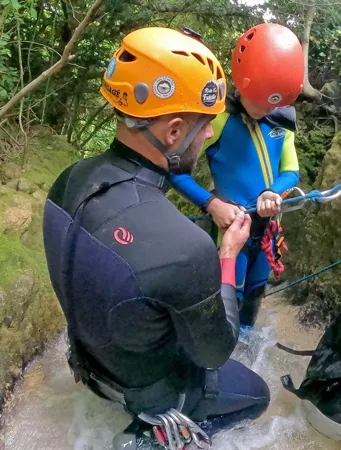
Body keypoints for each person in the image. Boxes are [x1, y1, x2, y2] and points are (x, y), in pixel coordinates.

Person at [41, 26, 270, 441]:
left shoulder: (68, 180)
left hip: (90, 361)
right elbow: (216, 350)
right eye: (204, 126)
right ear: (173, 131)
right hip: (150, 391)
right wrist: (227, 254)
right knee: (257, 395)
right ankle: (156, 436)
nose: (209, 135)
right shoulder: (185, 248)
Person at [169, 23, 304, 329]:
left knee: (256, 291)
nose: (264, 107)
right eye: (257, 98)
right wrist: (211, 204)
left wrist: (273, 192)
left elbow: (291, 171)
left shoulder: (281, 121)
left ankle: (246, 348)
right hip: (229, 225)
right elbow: (176, 172)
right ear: (242, 83)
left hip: (267, 226)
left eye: (272, 101)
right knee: (228, 295)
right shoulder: (218, 118)